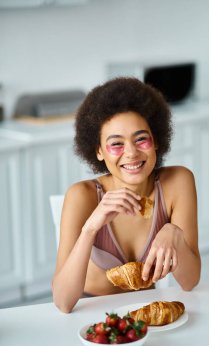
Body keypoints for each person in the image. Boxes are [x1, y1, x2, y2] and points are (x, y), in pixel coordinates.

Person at [52, 77, 201, 313]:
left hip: (145, 318)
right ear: (99, 151)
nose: (131, 153)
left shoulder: (178, 182)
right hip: (91, 320)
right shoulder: (82, 196)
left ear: (156, 142)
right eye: (116, 144)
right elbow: (62, 302)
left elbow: (190, 281)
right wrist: (91, 227)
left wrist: (174, 234)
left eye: (141, 139)